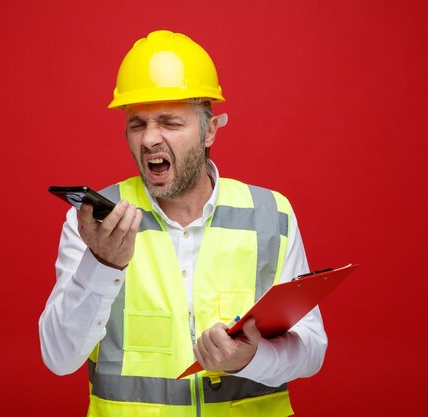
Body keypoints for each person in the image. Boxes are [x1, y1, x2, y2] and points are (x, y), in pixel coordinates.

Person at [39, 30, 327, 417]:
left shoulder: (271, 215)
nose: (149, 139)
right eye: (138, 124)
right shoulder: (96, 222)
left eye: (170, 123)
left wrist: (249, 358)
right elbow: (58, 357)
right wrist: (101, 264)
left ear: (209, 131)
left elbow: (311, 351)